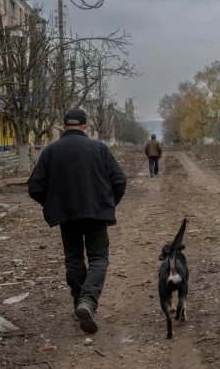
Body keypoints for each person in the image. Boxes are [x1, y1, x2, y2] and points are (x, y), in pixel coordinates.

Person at [28, 109, 127, 334]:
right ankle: (88, 302)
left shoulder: (50, 150)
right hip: (96, 213)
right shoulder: (100, 148)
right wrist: (108, 204)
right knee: (99, 258)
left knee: (73, 258)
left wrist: (52, 203)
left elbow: (35, 187)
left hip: (66, 215)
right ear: (85, 127)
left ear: (63, 126)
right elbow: (119, 180)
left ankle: (78, 304)